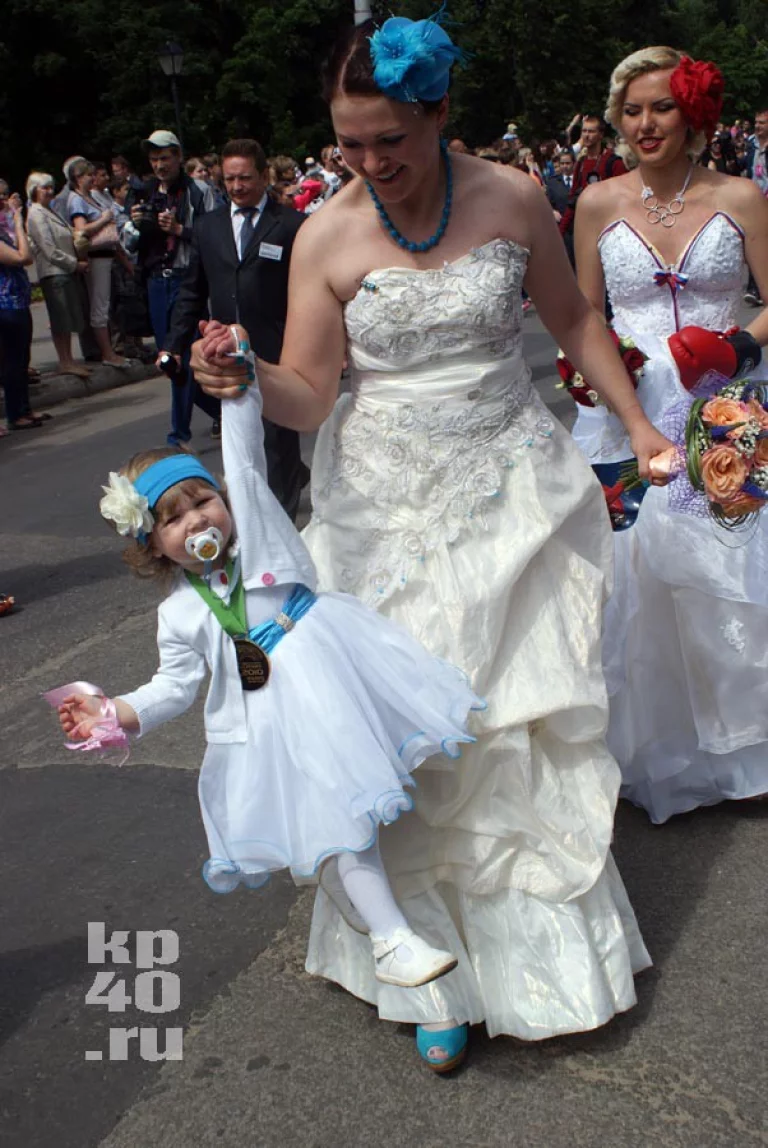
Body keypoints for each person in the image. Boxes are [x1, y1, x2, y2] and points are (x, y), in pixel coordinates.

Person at [191, 14, 671, 1071]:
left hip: (512, 487)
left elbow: (572, 319)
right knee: (399, 737)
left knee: (510, 723)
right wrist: (244, 377)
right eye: (348, 144)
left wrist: (638, 424)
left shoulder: (511, 196)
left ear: (440, 111)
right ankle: (429, 972)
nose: (369, 164)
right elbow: (310, 393)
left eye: (390, 141)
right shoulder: (325, 234)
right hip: (381, 508)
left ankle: (548, 962)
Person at [58, 320, 482, 998]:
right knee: (342, 818)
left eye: (204, 500)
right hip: (271, 721)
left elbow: (245, 449)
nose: (198, 521)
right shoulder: (179, 613)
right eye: (173, 518)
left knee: (351, 811)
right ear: (151, 544)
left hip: (336, 677)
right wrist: (115, 713)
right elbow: (174, 686)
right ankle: (392, 939)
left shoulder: (258, 532)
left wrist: (235, 374)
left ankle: (381, 916)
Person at [572, 47, 768, 823]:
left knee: (731, 571)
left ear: (693, 115)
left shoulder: (741, 196)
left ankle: (745, 753)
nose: (645, 124)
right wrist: (595, 374)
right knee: (636, 579)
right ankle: (655, 751)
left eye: (661, 107)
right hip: (626, 412)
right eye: (631, 110)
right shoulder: (596, 203)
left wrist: (738, 345)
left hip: (727, 404)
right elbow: (584, 316)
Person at [164, 138, 308, 520]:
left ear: (263, 176)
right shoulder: (208, 227)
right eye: (229, 179)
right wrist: (173, 344)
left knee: (277, 438)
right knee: (243, 440)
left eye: (245, 178)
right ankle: (268, 498)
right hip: (228, 352)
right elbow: (192, 290)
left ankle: (282, 525)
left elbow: (308, 291)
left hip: (278, 350)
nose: (237, 186)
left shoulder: (291, 225)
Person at [127, 129, 219, 444]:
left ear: (178, 156)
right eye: (154, 159)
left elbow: (214, 236)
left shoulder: (198, 191)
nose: (159, 165)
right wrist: (136, 225)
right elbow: (126, 241)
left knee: (179, 356)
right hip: (155, 280)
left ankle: (178, 435)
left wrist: (180, 229)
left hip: (188, 280)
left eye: (165, 158)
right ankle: (220, 411)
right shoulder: (143, 192)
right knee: (168, 362)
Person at [66, 159, 130, 368]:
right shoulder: (76, 200)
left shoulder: (89, 197)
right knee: (99, 306)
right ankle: (107, 353)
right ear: (78, 178)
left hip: (106, 255)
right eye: (89, 175)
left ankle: (109, 350)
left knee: (104, 304)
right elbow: (81, 230)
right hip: (96, 256)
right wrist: (104, 219)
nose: (93, 179)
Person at [25, 172, 90, 378]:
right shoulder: (36, 214)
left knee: (67, 317)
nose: (49, 191)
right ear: (34, 190)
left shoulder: (50, 211)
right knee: (60, 318)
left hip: (64, 271)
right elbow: (49, 249)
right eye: (44, 187)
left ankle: (69, 359)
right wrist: (74, 264)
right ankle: (64, 361)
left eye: (51, 187)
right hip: (54, 272)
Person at [0, 196, 47, 430]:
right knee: (11, 361)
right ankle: (15, 413)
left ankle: (24, 408)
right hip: (5, 305)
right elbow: (23, 257)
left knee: (21, 359)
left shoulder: (3, 232)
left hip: (18, 302)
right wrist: (18, 223)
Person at [743, 109, 767, 306]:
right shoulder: (752, 145)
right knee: (752, 240)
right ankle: (754, 288)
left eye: (762, 123)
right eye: (756, 122)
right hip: (755, 201)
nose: (758, 126)